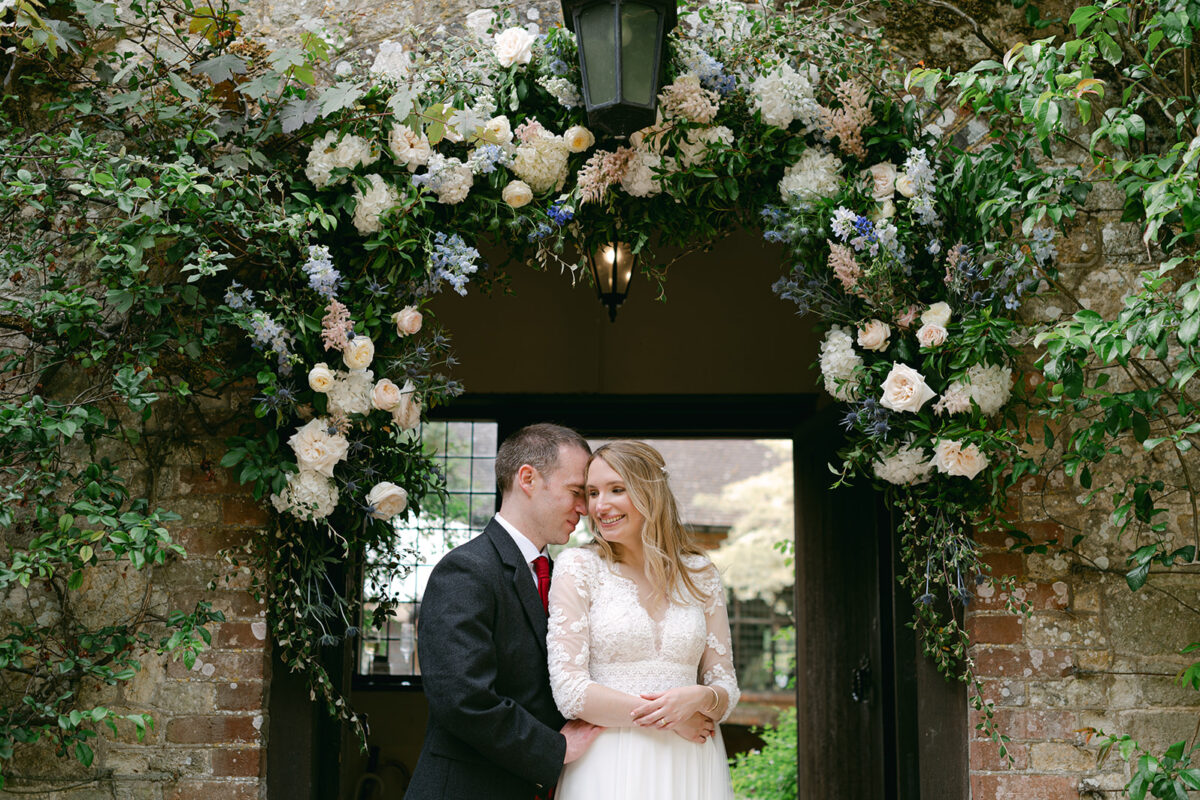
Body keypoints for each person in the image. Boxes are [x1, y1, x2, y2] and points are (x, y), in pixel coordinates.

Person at [407, 423, 603, 800]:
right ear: (528, 478)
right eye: (577, 491)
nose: (585, 508)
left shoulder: (565, 575)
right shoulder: (466, 570)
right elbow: (462, 697)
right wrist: (556, 749)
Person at [547, 440, 739, 800]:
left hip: (692, 759)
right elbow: (571, 691)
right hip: (608, 761)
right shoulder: (578, 567)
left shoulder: (701, 573)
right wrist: (673, 718)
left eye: (616, 489)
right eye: (592, 493)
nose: (600, 506)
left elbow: (726, 688)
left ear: (650, 492)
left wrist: (700, 696)